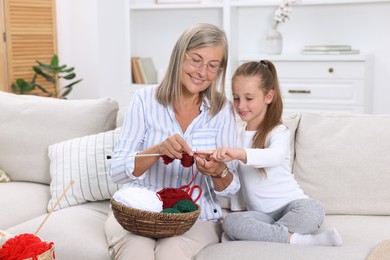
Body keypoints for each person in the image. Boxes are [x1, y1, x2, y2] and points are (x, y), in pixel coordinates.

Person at [105, 23, 240, 260]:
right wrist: (156, 151)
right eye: (196, 59)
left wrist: (218, 172)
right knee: (136, 254)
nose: (202, 71)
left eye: (212, 65)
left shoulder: (223, 111)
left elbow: (233, 187)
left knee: (172, 253)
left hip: (196, 217)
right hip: (139, 211)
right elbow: (117, 170)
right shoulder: (144, 100)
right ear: (179, 56)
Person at [208, 60, 343, 246]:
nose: (241, 106)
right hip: (261, 215)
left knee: (315, 209)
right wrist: (238, 210)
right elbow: (236, 180)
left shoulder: (278, 131)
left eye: (249, 98)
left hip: (291, 206)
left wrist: (240, 153)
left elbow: (274, 156)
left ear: (268, 97)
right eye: (236, 98)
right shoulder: (235, 133)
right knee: (231, 222)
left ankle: (267, 236)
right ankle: (297, 239)